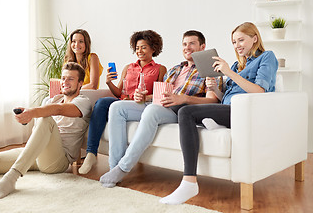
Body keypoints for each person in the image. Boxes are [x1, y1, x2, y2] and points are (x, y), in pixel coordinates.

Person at [159, 22, 278, 205]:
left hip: (244, 112)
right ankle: (212, 122)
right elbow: (226, 98)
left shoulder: (267, 57)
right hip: (228, 108)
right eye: (234, 42)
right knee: (179, 107)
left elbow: (260, 91)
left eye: (241, 40)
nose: (237, 45)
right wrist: (216, 89)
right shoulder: (238, 65)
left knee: (186, 112)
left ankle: (189, 182)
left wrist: (228, 72)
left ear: (254, 38)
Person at [99, 30, 223, 188]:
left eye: (192, 43)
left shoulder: (210, 69)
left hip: (180, 110)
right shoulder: (175, 69)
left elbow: (212, 100)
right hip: (160, 104)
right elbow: (160, 94)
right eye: (184, 44)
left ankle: (123, 167)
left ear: (202, 46)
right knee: (117, 107)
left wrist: (184, 98)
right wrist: (144, 97)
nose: (187, 47)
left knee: (152, 111)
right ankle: (114, 167)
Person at [0, 62, 92, 201]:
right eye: (63, 78)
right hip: (38, 153)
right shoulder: (52, 100)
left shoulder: (83, 102)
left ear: (80, 83)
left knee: (45, 119)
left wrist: (33, 112)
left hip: (58, 161)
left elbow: (59, 109)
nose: (65, 82)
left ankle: (11, 178)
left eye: (71, 79)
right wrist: (26, 116)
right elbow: (42, 122)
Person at [78, 30, 167, 174]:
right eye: (137, 48)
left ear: (153, 48)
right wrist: (108, 83)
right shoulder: (129, 67)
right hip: (121, 102)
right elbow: (119, 92)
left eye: (144, 47)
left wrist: (145, 97)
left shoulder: (160, 69)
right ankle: (91, 153)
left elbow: (159, 93)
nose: (139, 51)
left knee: (115, 106)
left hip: (140, 105)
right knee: (101, 103)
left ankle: (116, 165)